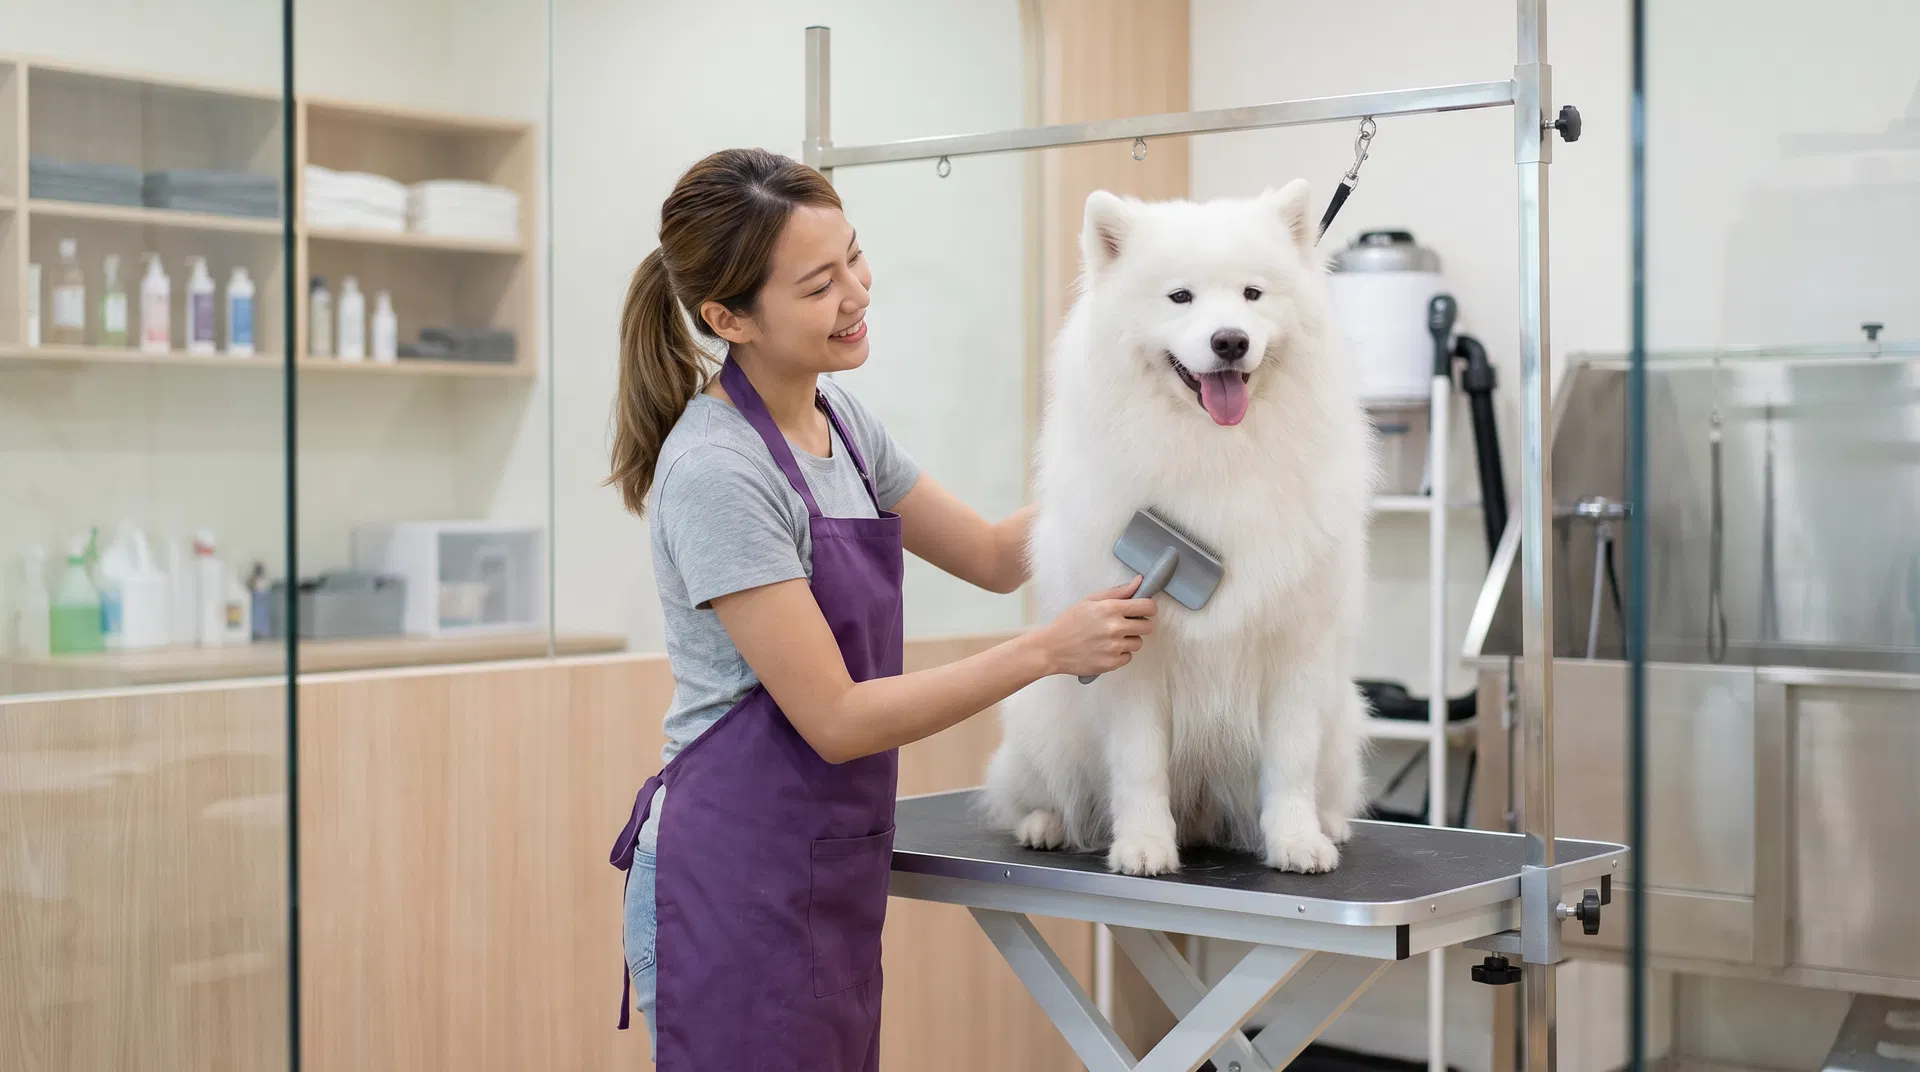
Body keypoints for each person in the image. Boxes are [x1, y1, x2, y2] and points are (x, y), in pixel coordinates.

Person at [603, 148, 1156, 1068]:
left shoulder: (845, 428)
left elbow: (987, 554)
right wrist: (1048, 651)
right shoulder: (718, 473)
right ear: (727, 317)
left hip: (823, 868)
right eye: (820, 284)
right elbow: (836, 718)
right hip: (734, 885)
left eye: (854, 257)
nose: (858, 292)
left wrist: (1134, 468)